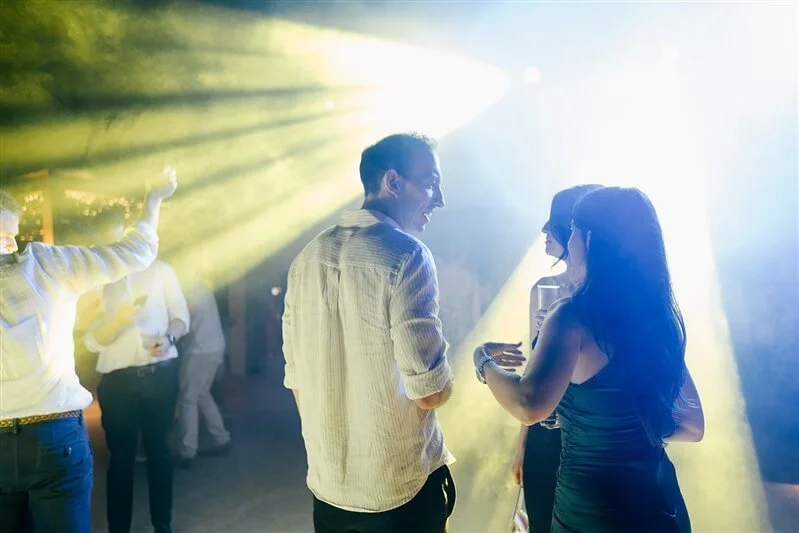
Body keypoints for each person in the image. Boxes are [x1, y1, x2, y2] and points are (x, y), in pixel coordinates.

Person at [474, 187, 703, 533]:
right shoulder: (659, 320)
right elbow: (693, 427)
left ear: (590, 239)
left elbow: (529, 404)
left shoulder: (572, 317)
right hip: (656, 509)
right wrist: (628, 424)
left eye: (575, 230)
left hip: (593, 510)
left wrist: (483, 363)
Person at [282, 133, 456, 533]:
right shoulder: (407, 254)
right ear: (392, 182)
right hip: (399, 489)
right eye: (430, 182)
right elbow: (430, 391)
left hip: (329, 488)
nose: (439, 199)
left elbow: (297, 383)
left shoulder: (305, 260)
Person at [0, 170, 177, 533]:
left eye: (12, 237)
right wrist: (154, 199)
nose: (11, 246)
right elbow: (137, 250)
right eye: (4, 237)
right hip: (52, 433)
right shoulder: (45, 265)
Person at [85, 215, 190, 533]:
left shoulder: (160, 270)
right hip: (119, 383)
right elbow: (91, 341)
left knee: (160, 451)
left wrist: (168, 336)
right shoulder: (99, 280)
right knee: (121, 459)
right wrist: (116, 321)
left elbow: (181, 318)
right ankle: (118, 527)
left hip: (160, 375)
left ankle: (163, 524)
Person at [511, 185, 602, 533]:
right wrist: (523, 443)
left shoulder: (614, 299)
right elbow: (533, 370)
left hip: (592, 435)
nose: (544, 231)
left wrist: (483, 364)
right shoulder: (544, 289)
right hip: (546, 433)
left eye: (554, 222)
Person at [174, 275, 231, 468]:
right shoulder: (199, 284)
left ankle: (187, 451)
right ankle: (222, 439)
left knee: (188, 398)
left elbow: (182, 321)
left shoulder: (187, 287)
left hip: (200, 349)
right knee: (201, 394)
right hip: (215, 346)